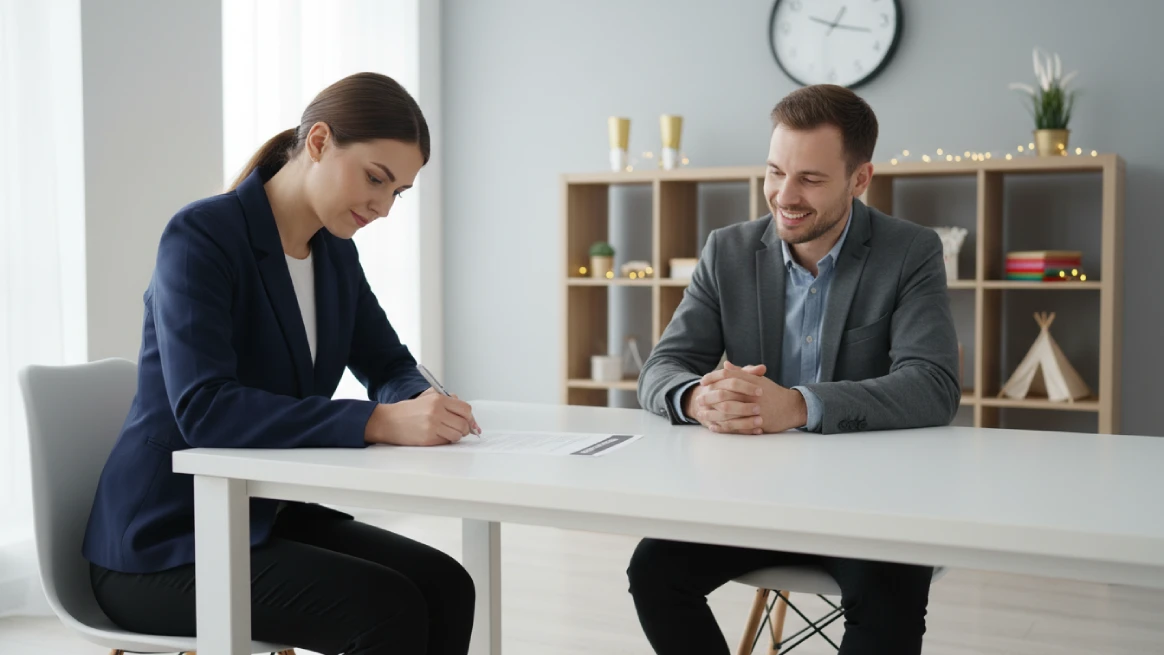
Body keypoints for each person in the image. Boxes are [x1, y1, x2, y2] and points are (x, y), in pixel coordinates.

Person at [82, 72, 478, 655]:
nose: (384, 207)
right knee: (386, 609)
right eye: (376, 179)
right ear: (318, 142)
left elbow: (389, 362)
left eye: (398, 192)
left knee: (447, 586)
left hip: (263, 516)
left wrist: (417, 401)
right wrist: (377, 421)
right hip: (165, 542)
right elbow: (207, 411)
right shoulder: (202, 236)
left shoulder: (335, 255)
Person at [629, 84, 961, 655]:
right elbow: (663, 366)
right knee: (654, 571)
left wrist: (799, 405)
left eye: (810, 179)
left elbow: (932, 385)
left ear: (860, 179)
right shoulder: (726, 250)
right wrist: (693, 400)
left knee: (889, 601)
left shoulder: (910, 251)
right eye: (775, 172)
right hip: (755, 500)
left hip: (872, 504)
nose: (784, 195)